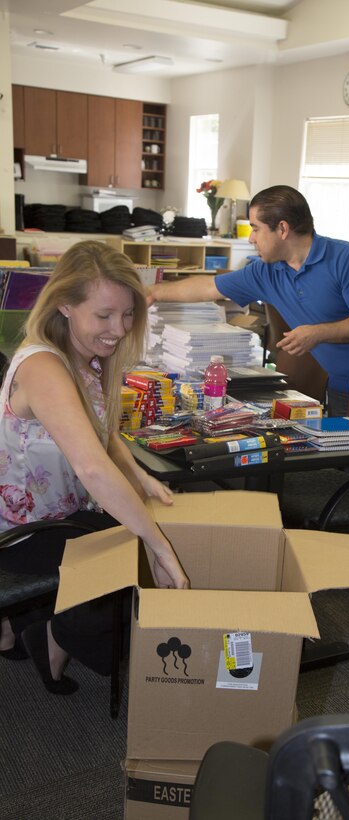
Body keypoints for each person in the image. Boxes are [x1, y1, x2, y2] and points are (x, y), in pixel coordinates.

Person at [148, 185, 349, 592]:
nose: (251, 238)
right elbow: (210, 287)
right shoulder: (267, 271)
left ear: (282, 229)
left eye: (256, 228)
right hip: (345, 384)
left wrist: (318, 333)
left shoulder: (345, 258)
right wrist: (154, 291)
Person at [0, 240, 189, 696]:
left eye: (127, 315)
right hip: (23, 528)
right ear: (64, 304)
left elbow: (102, 433)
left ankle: (30, 626)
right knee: (133, 552)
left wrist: (141, 477)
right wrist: (157, 545)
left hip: (59, 511)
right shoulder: (45, 364)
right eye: (104, 316)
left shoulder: (86, 356)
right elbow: (92, 466)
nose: (119, 329)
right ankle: (50, 637)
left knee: (137, 527)